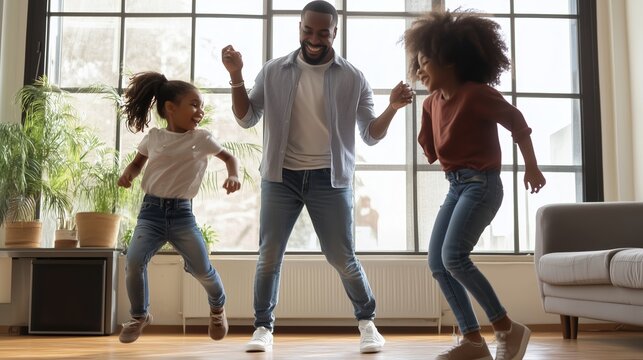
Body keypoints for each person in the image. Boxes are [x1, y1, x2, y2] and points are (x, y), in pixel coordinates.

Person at [221, 0, 413, 354]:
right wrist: (236, 75)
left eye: (322, 32)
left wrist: (392, 107)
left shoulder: (352, 77)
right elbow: (247, 118)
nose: (314, 38)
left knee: (342, 256)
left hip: (331, 178)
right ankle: (263, 328)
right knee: (269, 255)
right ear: (299, 27)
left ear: (334, 33)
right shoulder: (274, 70)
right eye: (307, 30)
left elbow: (370, 134)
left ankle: (368, 324)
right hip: (281, 176)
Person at [404, 9, 546, 360]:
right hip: (457, 186)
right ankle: (473, 341)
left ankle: (506, 329)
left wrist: (532, 168)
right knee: (438, 262)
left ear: (450, 61)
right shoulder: (432, 103)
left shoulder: (477, 94)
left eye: (425, 63)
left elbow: (517, 123)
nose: (419, 71)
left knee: (454, 256)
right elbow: (433, 150)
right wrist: (421, 115)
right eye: (417, 65)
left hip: (481, 184)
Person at [116, 71, 241, 344]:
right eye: (194, 104)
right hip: (150, 213)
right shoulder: (155, 137)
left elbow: (229, 158)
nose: (200, 111)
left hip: (183, 214)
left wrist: (233, 175)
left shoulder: (202, 138)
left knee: (201, 269)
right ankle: (139, 316)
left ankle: (217, 306)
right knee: (134, 262)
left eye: (202, 106)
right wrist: (129, 174)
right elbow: (138, 163)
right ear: (171, 108)